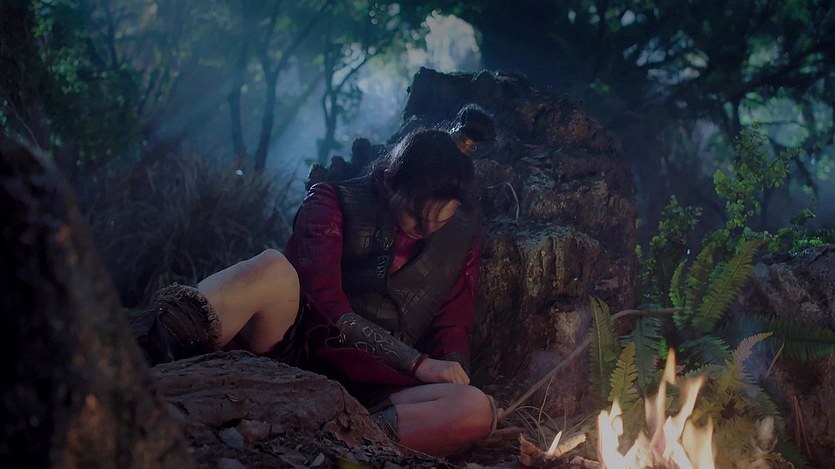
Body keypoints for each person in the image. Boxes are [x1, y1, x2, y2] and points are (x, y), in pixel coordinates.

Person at [130, 104, 498, 457]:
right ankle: (141, 355)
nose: (427, 229)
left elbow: (452, 330)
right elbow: (324, 303)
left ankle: (344, 437)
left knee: (475, 408)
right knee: (272, 268)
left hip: (379, 392)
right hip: (297, 355)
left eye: (441, 220)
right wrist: (417, 363)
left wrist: (456, 377)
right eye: (416, 215)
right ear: (389, 182)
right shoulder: (332, 201)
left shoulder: (462, 242)